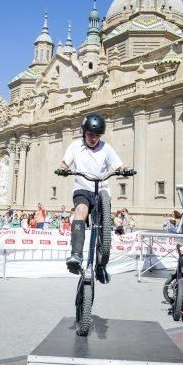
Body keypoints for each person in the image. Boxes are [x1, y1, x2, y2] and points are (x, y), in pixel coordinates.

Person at [60, 113, 125, 282]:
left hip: (102, 190)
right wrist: (62, 168)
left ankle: (101, 266)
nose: (94, 138)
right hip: (83, 188)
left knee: (104, 228)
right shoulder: (75, 146)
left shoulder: (107, 148)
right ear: (84, 132)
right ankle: (76, 255)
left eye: (97, 135)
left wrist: (124, 169)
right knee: (80, 211)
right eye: (90, 134)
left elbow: (119, 164)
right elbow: (64, 163)